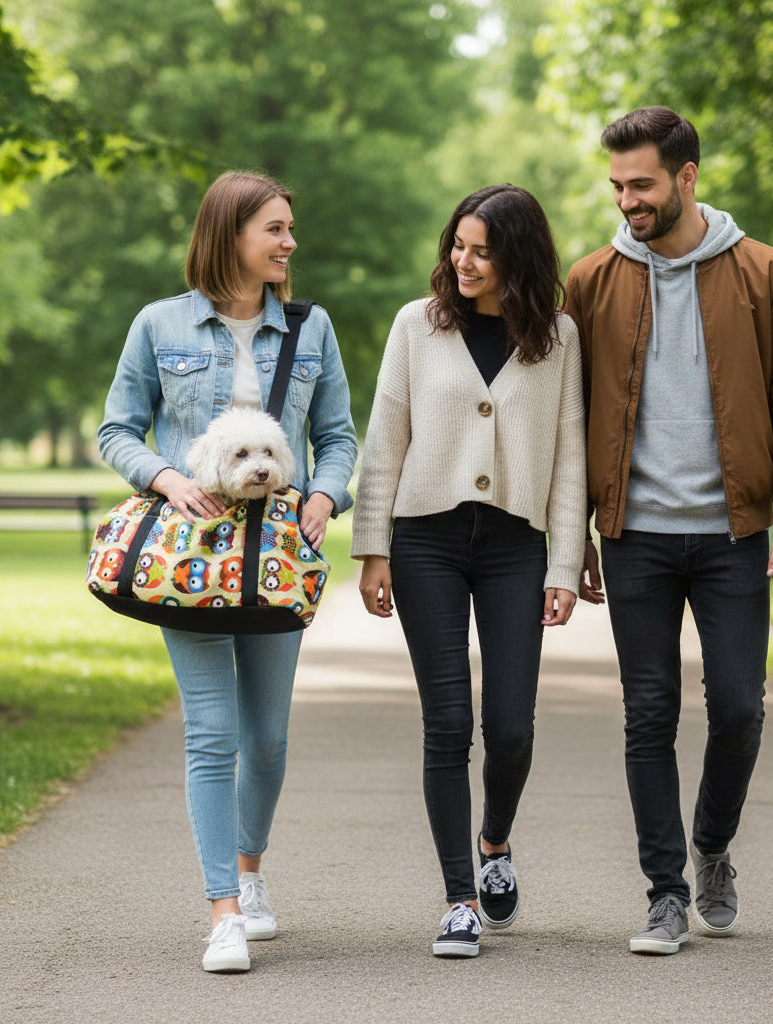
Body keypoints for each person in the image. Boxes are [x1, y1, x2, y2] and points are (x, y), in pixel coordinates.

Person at [564, 107, 773, 955]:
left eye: (641, 183)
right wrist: (572, 533)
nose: (627, 200)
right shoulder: (591, 280)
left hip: (733, 533)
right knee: (648, 713)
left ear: (687, 176)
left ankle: (713, 846)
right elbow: (567, 419)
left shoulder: (762, 272)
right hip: (634, 535)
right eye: (617, 186)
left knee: (741, 708)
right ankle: (665, 892)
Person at [98, 171, 357, 973]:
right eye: (274, 229)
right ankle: (222, 914)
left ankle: (251, 874)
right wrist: (167, 478)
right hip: (189, 556)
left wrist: (324, 494)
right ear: (230, 234)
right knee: (211, 734)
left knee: (268, 739)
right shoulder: (158, 324)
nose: (289, 243)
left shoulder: (311, 330)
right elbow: (117, 429)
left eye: (289, 228)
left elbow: (341, 435)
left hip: (278, 559)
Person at [352, 184, 587, 958]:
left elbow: (571, 460)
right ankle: (459, 899)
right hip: (428, 541)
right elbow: (385, 438)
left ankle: (495, 843)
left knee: (511, 728)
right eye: (458, 245)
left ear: (517, 258)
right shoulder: (416, 326)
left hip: (516, 546)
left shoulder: (557, 337)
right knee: (448, 723)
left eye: (482, 251)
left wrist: (563, 561)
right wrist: (373, 546)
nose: (463, 261)